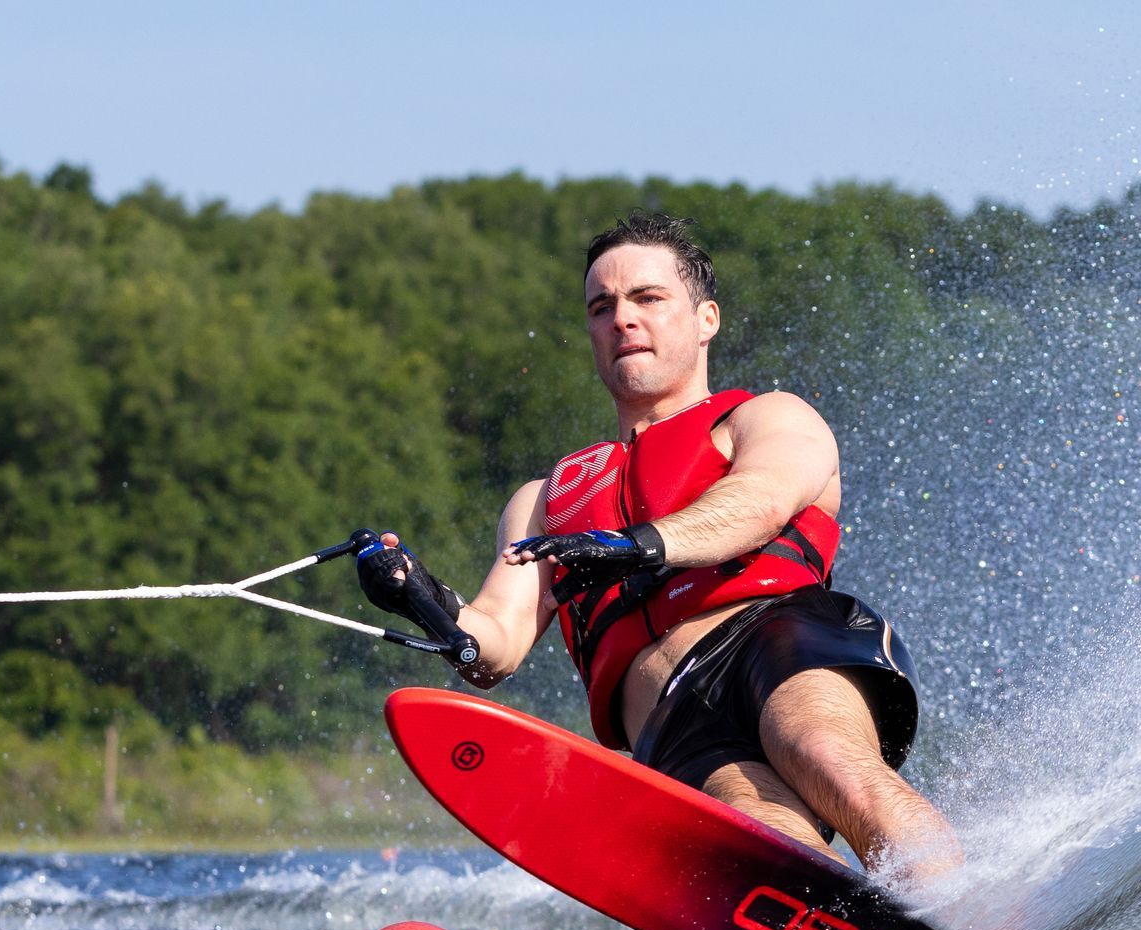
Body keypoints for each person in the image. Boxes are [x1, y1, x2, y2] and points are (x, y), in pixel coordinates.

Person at [355, 211, 960, 879]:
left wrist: (637, 545)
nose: (622, 318)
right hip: (672, 722)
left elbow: (757, 503)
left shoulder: (766, 417)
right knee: (768, 837)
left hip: (776, 645)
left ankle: (965, 913)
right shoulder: (543, 502)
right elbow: (493, 643)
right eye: (601, 306)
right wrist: (423, 599)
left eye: (647, 298)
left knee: (826, 757)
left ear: (706, 320)